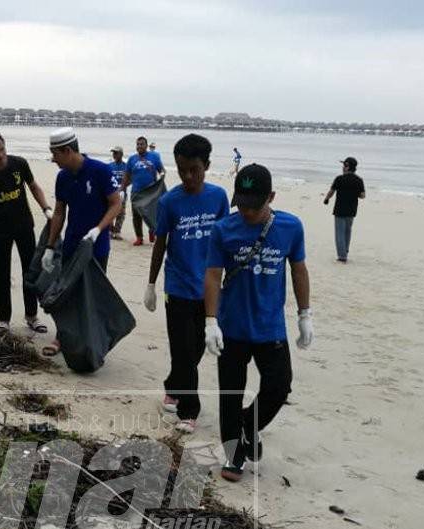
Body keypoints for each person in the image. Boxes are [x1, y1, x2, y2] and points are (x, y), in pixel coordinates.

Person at [204, 163, 313, 482]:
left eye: (255, 206)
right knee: (230, 394)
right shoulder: (223, 229)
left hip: (270, 327)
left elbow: (299, 270)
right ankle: (234, 455)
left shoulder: (291, 227)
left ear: (271, 197)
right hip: (232, 327)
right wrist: (211, 321)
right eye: (243, 205)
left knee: (279, 386)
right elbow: (212, 274)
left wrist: (305, 314)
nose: (247, 213)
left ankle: (248, 427)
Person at [144, 134, 229, 432]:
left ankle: (173, 384)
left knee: (194, 350)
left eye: (194, 169)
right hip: (177, 286)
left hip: (207, 287)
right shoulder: (169, 201)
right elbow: (160, 243)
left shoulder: (218, 197)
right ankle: (189, 412)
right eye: (182, 170)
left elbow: (224, 241)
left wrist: (228, 278)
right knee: (181, 348)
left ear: (206, 165)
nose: (188, 176)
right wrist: (152, 284)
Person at [41, 127, 123, 356]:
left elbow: (116, 204)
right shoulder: (63, 177)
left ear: (67, 151)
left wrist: (98, 229)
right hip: (71, 245)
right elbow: (59, 213)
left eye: (55, 154)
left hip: (97, 247)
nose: (53, 159)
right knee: (66, 294)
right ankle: (62, 337)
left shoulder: (100, 171)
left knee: (92, 296)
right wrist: (49, 247)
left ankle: (93, 341)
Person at [0, 128, 52, 332]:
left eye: (2, 149)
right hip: (1, 231)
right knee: (2, 275)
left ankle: (32, 316)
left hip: (25, 226)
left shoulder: (19, 163)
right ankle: (4, 320)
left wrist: (46, 209)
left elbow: (34, 187)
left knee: (30, 272)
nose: (0, 155)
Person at [121, 136, 164, 246]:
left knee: (152, 214)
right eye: (138, 144)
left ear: (146, 145)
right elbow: (126, 175)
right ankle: (139, 238)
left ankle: (152, 230)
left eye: (142, 144)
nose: (139, 146)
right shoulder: (132, 159)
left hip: (151, 192)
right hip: (136, 192)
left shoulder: (154, 157)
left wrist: (162, 175)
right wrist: (122, 189)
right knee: (137, 216)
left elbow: (161, 170)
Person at [323, 157, 365, 263]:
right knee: (347, 231)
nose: (342, 168)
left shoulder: (339, 179)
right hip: (352, 210)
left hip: (339, 209)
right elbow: (362, 195)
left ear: (347, 166)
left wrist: (326, 199)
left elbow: (331, 191)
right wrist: (354, 192)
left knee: (339, 233)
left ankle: (342, 256)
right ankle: (345, 250)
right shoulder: (359, 180)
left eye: (344, 165)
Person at [109, 146, 128, 240]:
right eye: (113, 153)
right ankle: (110, 230)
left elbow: (129, 179)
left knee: (121, 213)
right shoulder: (109, 166)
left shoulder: (126, 166)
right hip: (111, 193)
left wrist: (122, 188)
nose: (114, 155)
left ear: (121, 154)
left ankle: (117, 231)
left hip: (122, 193)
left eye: (116, 153)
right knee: (109, 211)